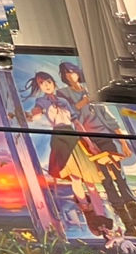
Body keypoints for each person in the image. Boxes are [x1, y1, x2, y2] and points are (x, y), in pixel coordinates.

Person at [57, 61, 136, 236]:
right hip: (89, 140)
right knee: (106, 180)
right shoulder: (63, 93)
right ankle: (129, 225)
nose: (70, 75)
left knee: (120, 178)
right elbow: (69, 114)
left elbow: (109, 117)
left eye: (72, 71)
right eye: (66, 73)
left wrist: (123, 142)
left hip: (106, 136)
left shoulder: (91, 89)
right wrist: (84, 102)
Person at [22, 71, 113, 236]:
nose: (46, 85)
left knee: (91, 181)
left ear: (53, 83)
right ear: (39, 87)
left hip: (75, 138)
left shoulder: (64, 101)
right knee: (76, 178)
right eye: (42, 83)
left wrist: (90, 143)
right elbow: (37, 112)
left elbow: (76, 123)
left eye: (48, 81)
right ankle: (87, 210)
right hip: (60, 139)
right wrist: (31, 116)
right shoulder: (41, 101)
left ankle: (101, 218)